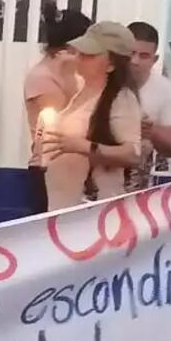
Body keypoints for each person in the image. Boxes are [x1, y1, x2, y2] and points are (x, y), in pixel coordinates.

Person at [43, 22, 143, 211]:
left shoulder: (122, 99)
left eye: (90, 55)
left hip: (94, 209)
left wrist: (83, 146)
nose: (80, 58)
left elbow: (132, 154)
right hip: (62, 203)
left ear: (111, 64)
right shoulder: (80, 89)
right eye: (80, 52)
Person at [24, 9, 90, 214]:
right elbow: (64, 124)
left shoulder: (75, 74)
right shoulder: (43, 77)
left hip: (76, 165)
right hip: (49, 167)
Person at [127, 21, 171, 190]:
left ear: (154, 59)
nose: (135, 61)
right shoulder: (104, 80)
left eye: (143, 56)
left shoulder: (166, 91)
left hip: (136, 185)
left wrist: (150, 131)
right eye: (131, 53)